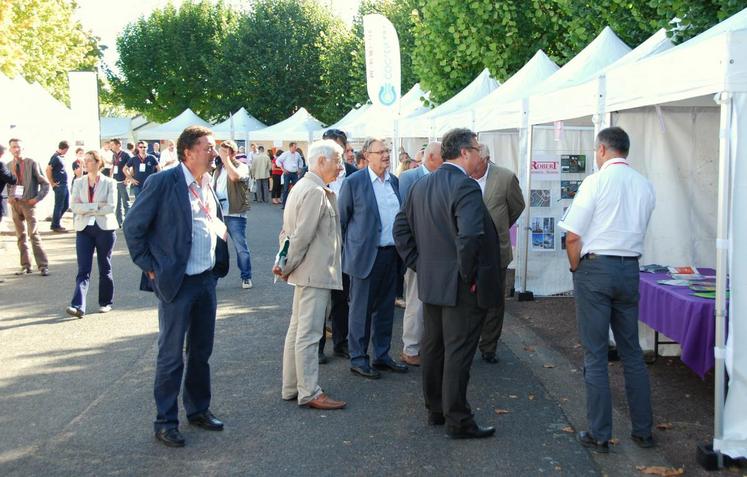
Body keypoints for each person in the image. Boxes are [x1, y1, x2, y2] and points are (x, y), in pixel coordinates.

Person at [124, 125, 229, 448]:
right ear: (188, 152)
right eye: (208, 147)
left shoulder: (207, 182)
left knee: (201, 350)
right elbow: (133, 227)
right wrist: (150, 266)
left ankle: (198, 409)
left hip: (205, 279)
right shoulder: (163, 182)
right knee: (171, 355)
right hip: (177, 282)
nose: (214, 153)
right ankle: (165, 421)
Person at [393, 128, 501, 439]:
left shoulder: (422, 184)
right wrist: (466, 276)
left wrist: (421, 264)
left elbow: (401, 229)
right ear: (465, 152)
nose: (480, 154)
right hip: (459, 286)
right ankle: (458, 419)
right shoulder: (464, 186)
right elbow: (469, 235)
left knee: (435, 347)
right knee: (457, 352)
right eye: (477, 149)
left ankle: (436, 409)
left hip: (434, 281)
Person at [558, 127, 656, 453]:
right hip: (630, 268)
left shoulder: (595, 182)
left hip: (596, 268)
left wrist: (576, 268)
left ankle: (599, 433)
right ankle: (643, 429)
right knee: (631, 352)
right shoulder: (644, 184)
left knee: (596, 354)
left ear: (601, 150)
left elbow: (573, 236)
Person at [274, 139, 346, 410]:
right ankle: (309, 391)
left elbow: (288, 233)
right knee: (309, 332)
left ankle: (292, 386)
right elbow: (301, 236)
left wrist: (284, 264)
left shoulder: (302, 187)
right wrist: (286, 265)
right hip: (313, 271)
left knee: (298, 330)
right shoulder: (315, 190)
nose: (340, 166)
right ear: (321, 161)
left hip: (305, 270)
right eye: (337, 160)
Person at [338, 137, 407, 379]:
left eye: (388, 150)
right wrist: (351, 251)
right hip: (365, 256)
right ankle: (358, 358)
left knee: (386, 309)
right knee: (360, 310)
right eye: (380, 152)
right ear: (367, 156)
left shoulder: (394, 182)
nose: (386, 155)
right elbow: (342, 221)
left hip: (391, 255)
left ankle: (381, 355)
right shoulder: (354, 182)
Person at [471, 144, 525, 364]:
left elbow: (517, 206)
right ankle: (468, 341)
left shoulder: (505, 177)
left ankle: (489, 346)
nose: (472, 168)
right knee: (469, 300)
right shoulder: (463, 176)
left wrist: (500, 228)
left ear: (486, 159)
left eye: (476, 164)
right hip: (469, 251)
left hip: (496, 252)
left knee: (494, 301)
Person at [397, 141, 442, 366]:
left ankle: (425, 346)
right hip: (419, 253)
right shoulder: (409, 178)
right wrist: (413, 256)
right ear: (433, 157)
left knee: (430, 303)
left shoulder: (441, 179)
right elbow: (405, 219)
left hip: (437, 253)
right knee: (415, 301)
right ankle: (411, 348)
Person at [318, 129, 356, 363]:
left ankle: (341, 343)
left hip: (346, 242)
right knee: (320, 298)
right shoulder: (313, 173)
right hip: (321, 244)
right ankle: (318, 346)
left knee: (342, 297)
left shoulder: (354, 174)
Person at [66, 150, 118, 318]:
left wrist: (87, 207)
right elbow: (74, 206)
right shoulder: (79, 182)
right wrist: (96, 206)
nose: (85, 164)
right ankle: (78, 305)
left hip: (104, 229)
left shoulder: (109, 182)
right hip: (84, 229)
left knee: (105, 266)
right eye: (84, 161)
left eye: (89, 161)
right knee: (83, 269)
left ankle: (105, 302)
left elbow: (110, 207)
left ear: (98, 162)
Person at [8, 138, 50, 276]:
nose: (16, 149)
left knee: (34, 234)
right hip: (16, 204)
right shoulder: (8, 165)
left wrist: (36, 199)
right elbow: (7, 185)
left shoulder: (31, 163)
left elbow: (45, 184)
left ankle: (43, 266)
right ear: (10, 149)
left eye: (18, 147)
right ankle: (25, 266)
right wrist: (9, 196)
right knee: (21, 236)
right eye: (14, 147)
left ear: (23, 148)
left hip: (29, 204)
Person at [215, 140, 253, 289]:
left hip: (235, 214)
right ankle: (214, 277)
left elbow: (234, 177)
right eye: (221, 151)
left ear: (233, 153)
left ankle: (246, 276)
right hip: (219, 213)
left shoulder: (241, 167)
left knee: (240, 247)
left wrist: (226, 160)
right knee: (217, 248)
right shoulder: (217, 169)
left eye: (226, 151)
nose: (222, 154)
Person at [47, 140, 70, 232]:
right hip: (59, 185)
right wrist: (52, 183)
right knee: (59, 205)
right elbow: (48, 169)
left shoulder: (60, 157)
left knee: (66, 205)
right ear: (64, 148)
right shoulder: (55, 157)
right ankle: (55, 225)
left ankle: (55, 222)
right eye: (67, 150)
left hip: (64, 184)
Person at [109, 139, 131, 227]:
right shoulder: (114, 155)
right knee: (117, 203)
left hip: (123, 181)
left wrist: (127, 178)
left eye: (112, 145)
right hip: (115, 181)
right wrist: (110, 178)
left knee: (126, 202)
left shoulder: (126, 155)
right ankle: (119, 222)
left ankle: (128, 221)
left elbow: (130, 167)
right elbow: (113, 166)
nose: (111, 147)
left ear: (118, 145)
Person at [276, 142, 304, 208]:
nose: (295, 148)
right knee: (285, 189)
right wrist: (282, 169)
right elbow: (278, 160)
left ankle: (296, 204)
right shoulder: (285, 154)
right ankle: (284, 205)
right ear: (290, 147)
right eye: (294, 147)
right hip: (287, 173)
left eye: (296, 147)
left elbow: (301, 161)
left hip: (295, 173)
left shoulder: (297, 154)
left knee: (297, 188)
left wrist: (300, 169)